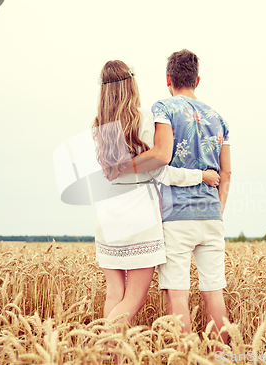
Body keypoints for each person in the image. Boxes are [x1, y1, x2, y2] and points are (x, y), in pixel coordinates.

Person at [92, 60, 220, 327]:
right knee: (135, 299)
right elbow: (163, 166)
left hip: (108, 209)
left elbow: (109, 171)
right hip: (140, 208)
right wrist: (201, 176)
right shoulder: (147, 119)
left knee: (115, 293)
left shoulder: (99, 125)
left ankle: (112, 357)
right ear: (132, 84)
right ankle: (97, 342)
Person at [136, 49, 231, 343]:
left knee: (177, 294)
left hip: (176, 217)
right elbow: (226, 174)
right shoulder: (219, 118)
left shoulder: (163, 108)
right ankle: (222, 357)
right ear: (197, 80)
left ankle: (184, 357)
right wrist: (218, 208)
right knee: (213, 290)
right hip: (212, 215)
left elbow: (161, 158)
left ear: (168, 79)